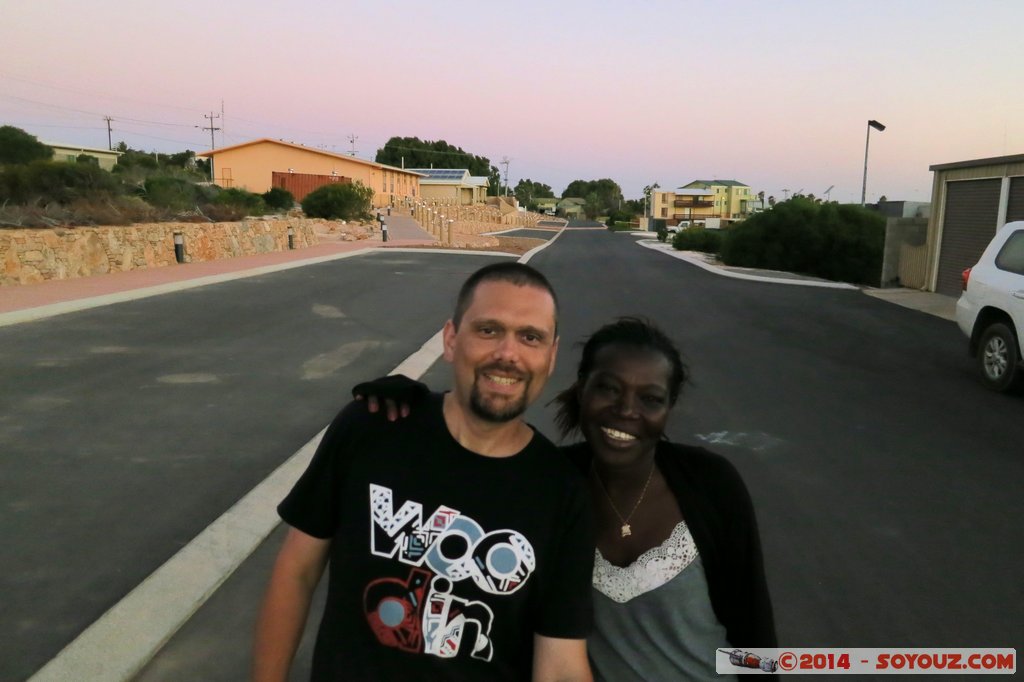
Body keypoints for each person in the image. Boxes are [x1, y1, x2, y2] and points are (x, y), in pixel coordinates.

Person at [358, 317, 775, 681]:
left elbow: (753, 632)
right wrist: (417, 409)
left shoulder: (711, 486)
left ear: (668, 409)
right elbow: (460, 483)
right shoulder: (547, 483)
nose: (626, 410)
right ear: (581, 390)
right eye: (608, 389)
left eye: (650, 399)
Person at [253, 262, 595, 682]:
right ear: (451, 339)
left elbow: (560, 661)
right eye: (488, 330)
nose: (508, 354)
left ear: (551, 355)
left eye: (530, 337)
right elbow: (296, 571)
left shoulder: (562, 493)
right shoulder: (371, 427)